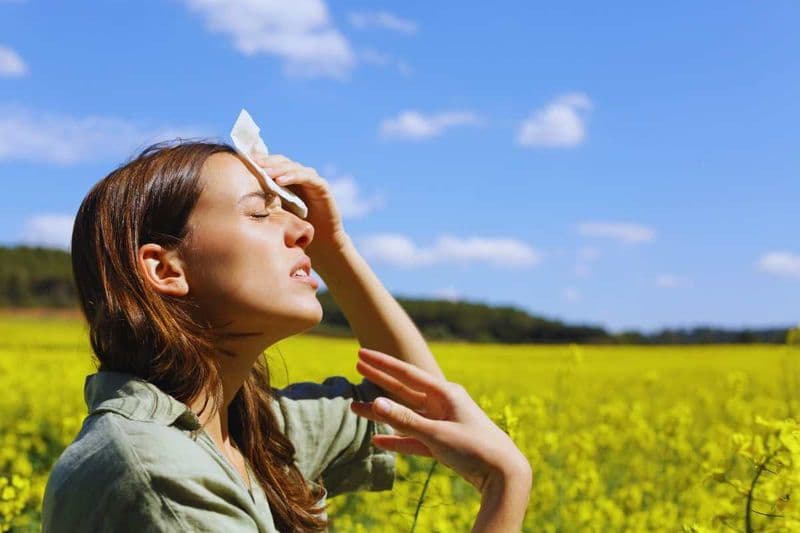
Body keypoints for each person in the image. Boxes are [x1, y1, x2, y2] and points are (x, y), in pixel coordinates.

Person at [41, 140, 532, 532]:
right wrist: (504, 489)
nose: (304, 231)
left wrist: (335, 248)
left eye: (293, 214)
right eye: (260, 214)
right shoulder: (158, 472)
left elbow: (417, 408)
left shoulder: (244, 432)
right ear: (165, 269)